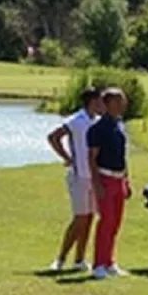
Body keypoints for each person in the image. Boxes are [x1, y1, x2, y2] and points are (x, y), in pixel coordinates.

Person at [45, 87, 104, 273]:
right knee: (79, 218)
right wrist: (67, 158)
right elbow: (54, 137)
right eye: (100, 101)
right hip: (79, 175)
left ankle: (79, 259)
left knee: (89, 218)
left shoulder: (98, 121)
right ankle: (60, 259)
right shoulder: (76, 121)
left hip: (93, 176)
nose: (102, 104)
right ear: (92, 102)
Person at [86, 87, 131, 280]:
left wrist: (127, 180)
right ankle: (98, 264)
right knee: (106, 222)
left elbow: (122, 155)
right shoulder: (97, 129)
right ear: (108, 104)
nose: (123, 105)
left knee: (116, 223)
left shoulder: (120, 125)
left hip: (119, 178)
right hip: (104, 178)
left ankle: (109, 261)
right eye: (119, 101)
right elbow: (92, 158)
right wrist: (97, 185)